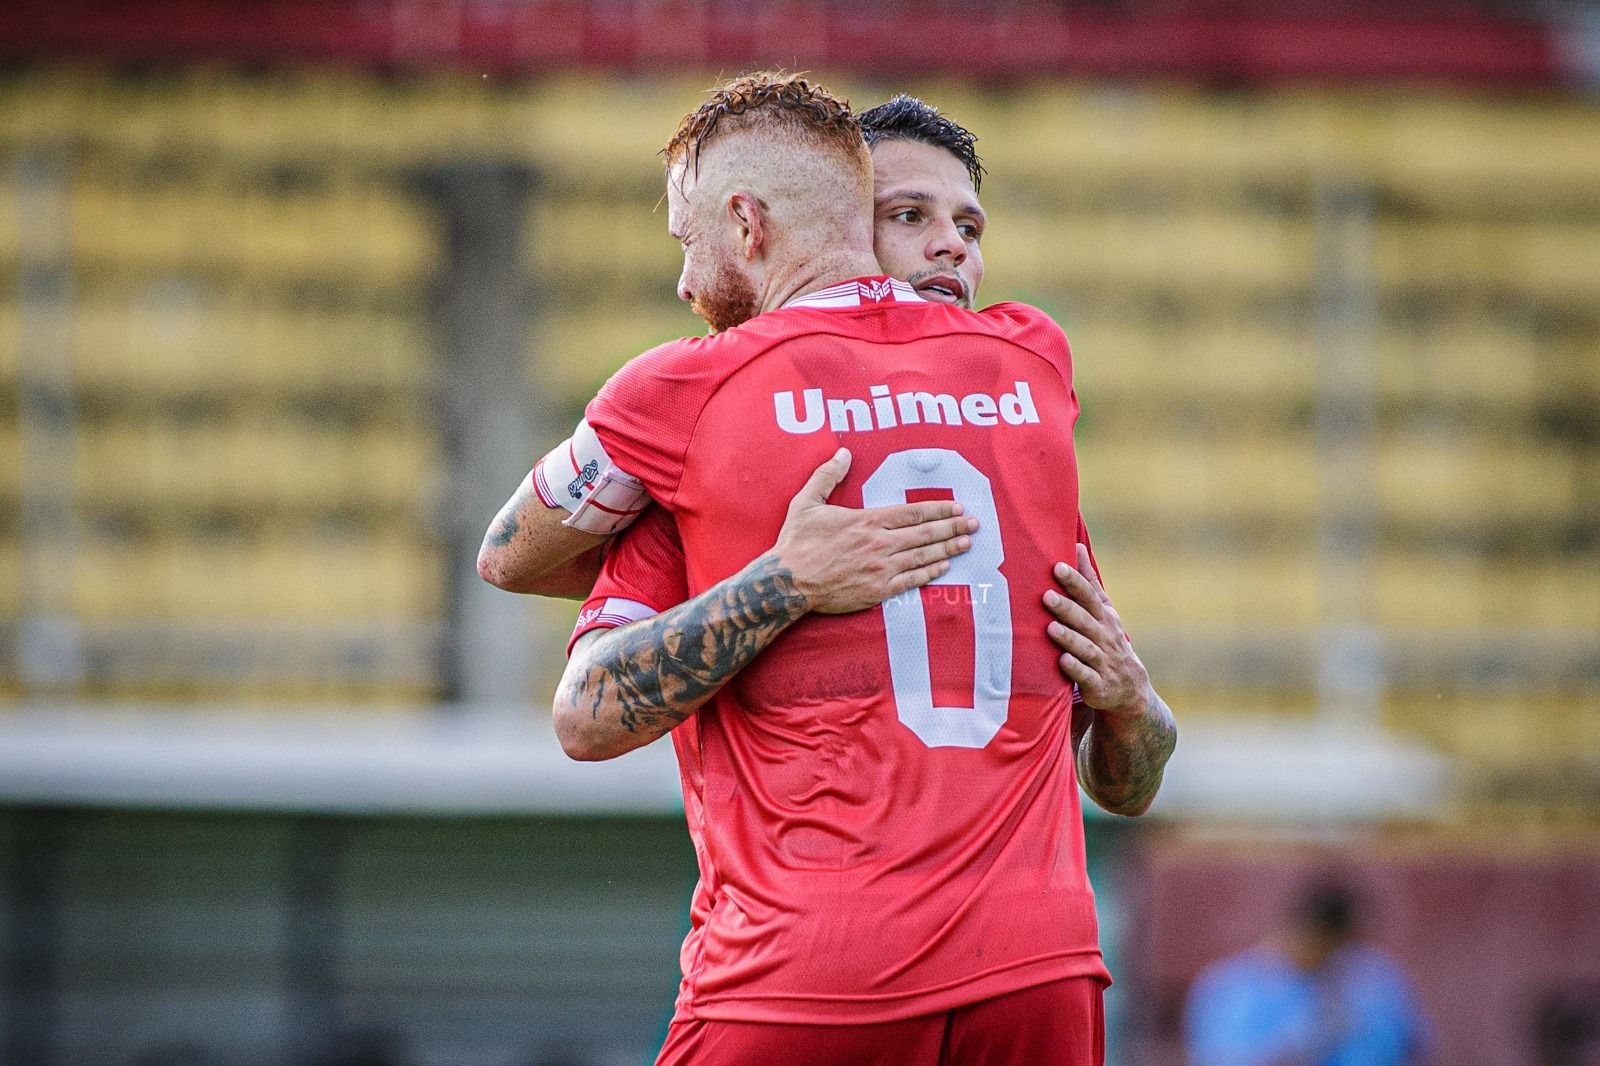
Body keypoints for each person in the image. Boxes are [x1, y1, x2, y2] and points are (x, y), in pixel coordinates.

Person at [483, 74, 1177, 1064]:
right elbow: (1131, 787)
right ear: (855, 225)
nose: (948, 247)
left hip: (808, 976)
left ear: (746, 224)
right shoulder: (1032, 378)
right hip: (1043, 969)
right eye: (909, 214)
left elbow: (526, 597)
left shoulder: (698, 400)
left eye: (967, 224)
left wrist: (779, 580)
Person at [1185, 882, 1432, 1066]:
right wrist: (1297, 1045)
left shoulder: (1375, 977)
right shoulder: (1231, 986)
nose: (1334, 955)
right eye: (1326, 943)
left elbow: (1415, 1046)